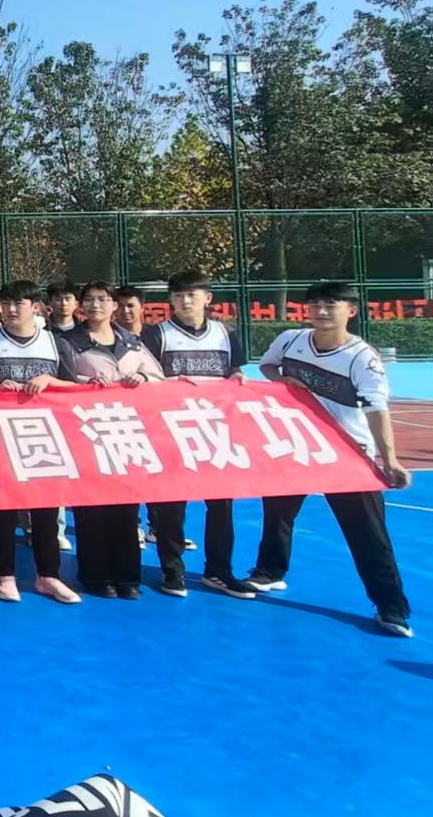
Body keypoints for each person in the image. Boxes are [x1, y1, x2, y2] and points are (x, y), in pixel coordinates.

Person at [250, 281, 413, 637]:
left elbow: (376, 408)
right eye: (315, 305)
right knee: (277, 514)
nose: (321, 312)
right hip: (298, 446)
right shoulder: (290, 340)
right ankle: (269, 572)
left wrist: (389, 460)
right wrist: (286, 381)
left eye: (331, 305)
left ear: (350, 311)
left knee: (368, 533)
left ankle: (391, 606)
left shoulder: (362, 358)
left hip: (347, 453)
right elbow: (267, 366)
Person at [138, 272, 255, 600]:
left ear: (208, 298)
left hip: (215, 433)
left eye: (192, 294)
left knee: (221, 506)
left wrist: (238, 378)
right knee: (171, 507)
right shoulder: (156, 335)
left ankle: (219, 571)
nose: (185, 300)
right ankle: (172, 570)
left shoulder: (225, 334)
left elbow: (235, 372)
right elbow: (144, 379)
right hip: (171, 432)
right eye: (178, 295)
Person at [0, 281, 82, 604]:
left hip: (43, 438)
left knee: (45, 512)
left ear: (35, 307)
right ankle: (4, 575)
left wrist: (50, 380)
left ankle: (48, 576)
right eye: (6, 303)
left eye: (19, 304)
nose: (11, 310)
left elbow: (75, 388)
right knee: (3, 511)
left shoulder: (54, 343)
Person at [66, 281, 165, 599]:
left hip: (125, 435)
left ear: (113, 305)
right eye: (89, 300)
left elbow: (158, 377)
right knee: (91, 510)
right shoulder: (68, 342)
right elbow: (62, 382)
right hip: (86, 435)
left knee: (125, 509)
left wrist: (143, 377)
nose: (95, 305)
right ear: (81, 306)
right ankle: (96, 576)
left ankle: (128, 576)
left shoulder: (132, 343)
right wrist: (86, 383)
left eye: (102, 299)